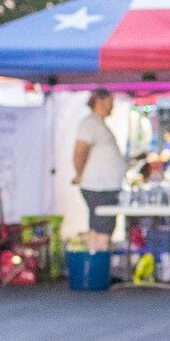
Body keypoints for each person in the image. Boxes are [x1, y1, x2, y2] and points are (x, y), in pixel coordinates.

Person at [72, 88, 128, 254]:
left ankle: (97, 262)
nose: (112, 107)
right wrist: (79, 173)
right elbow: (79, 152)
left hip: (105, 187)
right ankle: (98, 263)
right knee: (102, 229)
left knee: (102, 228)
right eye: (110, 103)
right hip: (99, 188)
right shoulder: (90, 123)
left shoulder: (98, 124)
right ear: (100, 101)